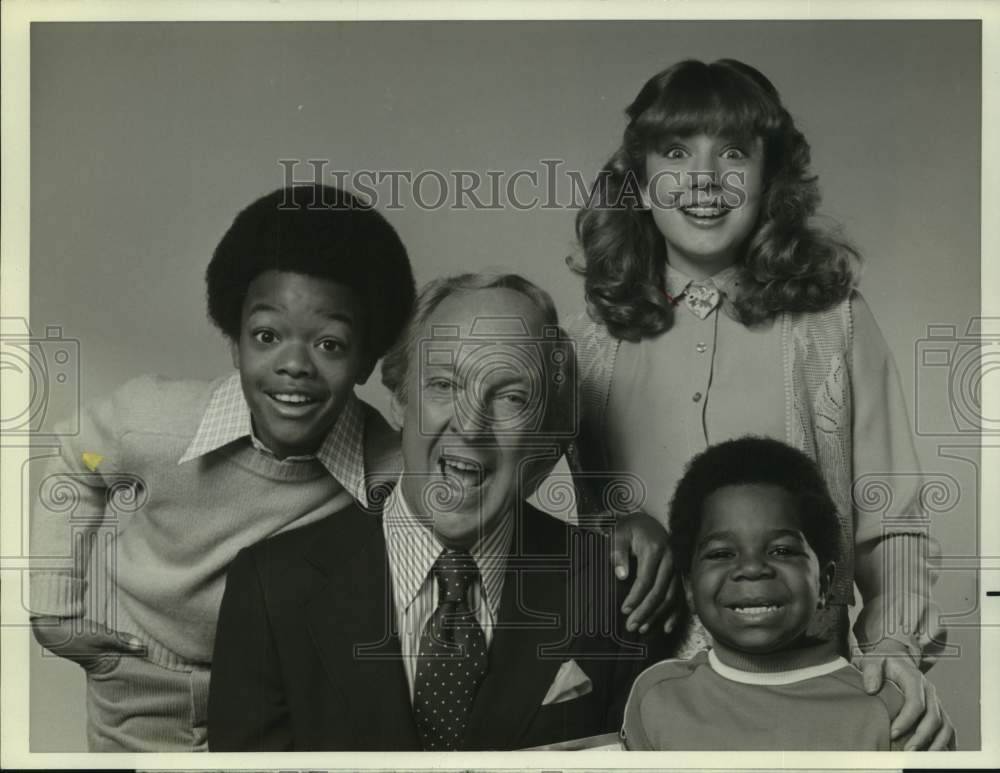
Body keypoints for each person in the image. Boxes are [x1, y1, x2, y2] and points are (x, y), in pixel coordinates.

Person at [569, 58, 953, 749]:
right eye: (676, 152)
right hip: (632, 696)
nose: (705, 181)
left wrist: (894, 640)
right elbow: (523, 507)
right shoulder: (591, 338)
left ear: (770, 175)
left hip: (798, 695)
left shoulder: (834, 324)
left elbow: (892, 517)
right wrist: (615, 525)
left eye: (734, 153)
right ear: (639, 175)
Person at [208, 273, 670, 751]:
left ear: (546, 433)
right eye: (445, 384)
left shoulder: (613, 591)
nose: (471, 426)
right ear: (398, 401)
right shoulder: (270, 587)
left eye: (512, 396)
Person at [27, 185, 416, 751]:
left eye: (330, 344)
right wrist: (53, 607)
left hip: (281, 698)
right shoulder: (155, 423)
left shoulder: (385, 465)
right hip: (141, 684)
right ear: (233, 342)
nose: (293, 365)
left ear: (366, 360)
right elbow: (73, 457)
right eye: (266, 336)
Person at [622, 437, 956, 750]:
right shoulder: (657, 696)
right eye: (722, 554)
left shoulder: (892, 709)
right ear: (690, 588)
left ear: (824, 583)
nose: (752, 568)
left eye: (781, 551)